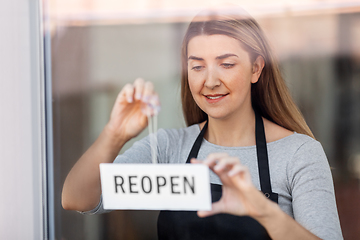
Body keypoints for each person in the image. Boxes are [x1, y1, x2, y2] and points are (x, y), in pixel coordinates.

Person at [62, 9, 343, 240]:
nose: (210, 81)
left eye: (227, 64)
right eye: (197, 66)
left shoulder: (299, 154)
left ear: (256, 68)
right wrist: (115, 134)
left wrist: (263, 211)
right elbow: (77, 199)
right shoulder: (168, 149)